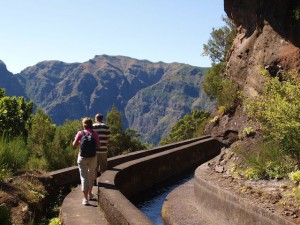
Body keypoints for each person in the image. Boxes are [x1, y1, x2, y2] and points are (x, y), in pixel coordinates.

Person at [72, 117, 100, 206]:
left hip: (82, 157)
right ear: (91, 124)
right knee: (91, 176)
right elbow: (98, 146)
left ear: (83, 124)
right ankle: (90, 194)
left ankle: (85, 199)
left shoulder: (80, 133)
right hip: (92, 158)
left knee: (84, 178)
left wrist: (81, 142)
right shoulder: (94, 134)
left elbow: (74, 144)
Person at [93, 113, 111, 184]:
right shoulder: (106, 127)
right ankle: (103, 181)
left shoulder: (92, 126)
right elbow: (108, 139)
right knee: (103, 167)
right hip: (103, 150)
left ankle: (94, 181)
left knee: (94, 166)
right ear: (102, 119)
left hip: (94, 150)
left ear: (96, 119)